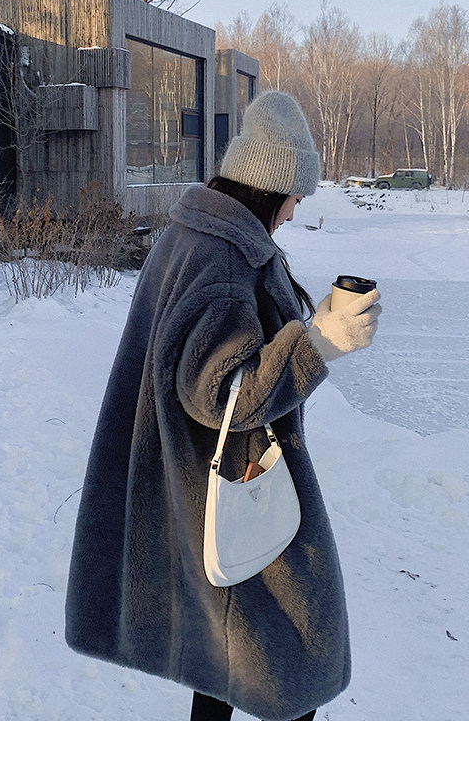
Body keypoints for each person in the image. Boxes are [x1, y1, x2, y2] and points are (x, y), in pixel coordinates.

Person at [65, 91, 381, 721]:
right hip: (233, 485)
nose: (295, 211)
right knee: (294, 651)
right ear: (272, 190)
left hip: (191, 487)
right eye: (295, 197)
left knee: (224, 654)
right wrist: (321, 341)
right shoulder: (225, 259)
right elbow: (219, 394)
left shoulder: (193, 236)